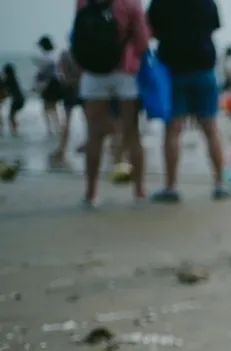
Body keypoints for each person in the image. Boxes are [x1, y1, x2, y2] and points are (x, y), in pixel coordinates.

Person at [147, 0, 231, 202]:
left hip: (174, 69)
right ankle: (220, 184)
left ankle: (171, 186)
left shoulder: (160, 3)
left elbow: (151, 30)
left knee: (173, 129)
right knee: (210, 127)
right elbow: (214, 27)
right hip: (203, 66)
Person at [73, 0, 149, 207]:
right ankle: (139, 191)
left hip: (93, 72)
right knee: (132, 133)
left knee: (94, 134)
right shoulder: (131, 2)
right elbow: (142, 40)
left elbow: (79, 35)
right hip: (124, 71)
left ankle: (91, 193)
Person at [49, 48, 83, 168]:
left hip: (69, 90)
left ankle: (62, 150)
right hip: (83, 89)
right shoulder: (83, 51)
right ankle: (88, 144)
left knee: (66, 122)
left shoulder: (65, 54)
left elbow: (60, 72)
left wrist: (67, 81)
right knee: (90, 121)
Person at [35, 36, 64, 135]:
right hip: (57, 83)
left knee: (46, 108)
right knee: (54, 107)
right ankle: (58, 127)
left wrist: (38, 86)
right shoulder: (55, 55)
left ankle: (50, 129)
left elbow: (43, 74)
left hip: (48, 84)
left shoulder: (45, 57)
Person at [1, 64, 26, 136]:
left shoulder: (8, 79)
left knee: (11, 116)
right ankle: (15, 130)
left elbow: (4, 88)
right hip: (21, 99)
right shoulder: (14, 78)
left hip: (17, 100)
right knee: (12, 115)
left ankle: (15, 131)